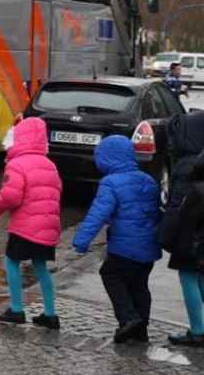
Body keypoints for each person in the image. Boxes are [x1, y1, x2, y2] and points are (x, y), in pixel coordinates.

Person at [71, 135, 162, 343]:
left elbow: (98, 214)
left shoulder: (110, 183)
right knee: (140, 285)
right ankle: (141, 330)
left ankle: (128, 319)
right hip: (148, 246)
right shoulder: (147, 179)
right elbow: (156, 211)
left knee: (110, 275)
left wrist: (82, 241)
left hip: (124, 246)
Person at [0, 116, 62, 329]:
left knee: (12, 262)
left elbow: (12, 196)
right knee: (40, 266)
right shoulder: (50, 164)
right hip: (47, 227)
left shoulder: (16, 164)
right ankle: (50, 314)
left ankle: (16, 309)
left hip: (24, 227)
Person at [164, 110, 204, 346]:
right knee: (199, 277)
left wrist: (165, 237)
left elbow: (177, 206)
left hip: (191, 235)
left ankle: (197, 330)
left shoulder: (187, 164)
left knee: (187, 276)